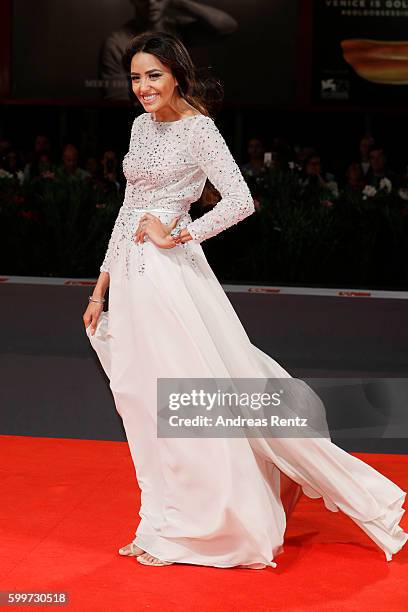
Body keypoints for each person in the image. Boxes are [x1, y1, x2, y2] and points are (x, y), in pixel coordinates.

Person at [83, 31, 408, 568]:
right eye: (136, 78)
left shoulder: (200, 129)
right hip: (134, 286)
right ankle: (158, 521)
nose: (143, 87)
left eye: (153, 75)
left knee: (185, 404)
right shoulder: (140, 127)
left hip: (172, 282)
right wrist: (101, 289)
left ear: (177, 75)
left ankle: (208, 525)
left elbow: (239, 200)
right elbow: (127, 209)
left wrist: (180, 233)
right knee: (141, 405)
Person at [99, 0, 237, 100]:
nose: (151, 2)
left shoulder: (176, 29)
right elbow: (117, 103)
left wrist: (179, 2)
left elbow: (227, 27)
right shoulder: (116, 44)